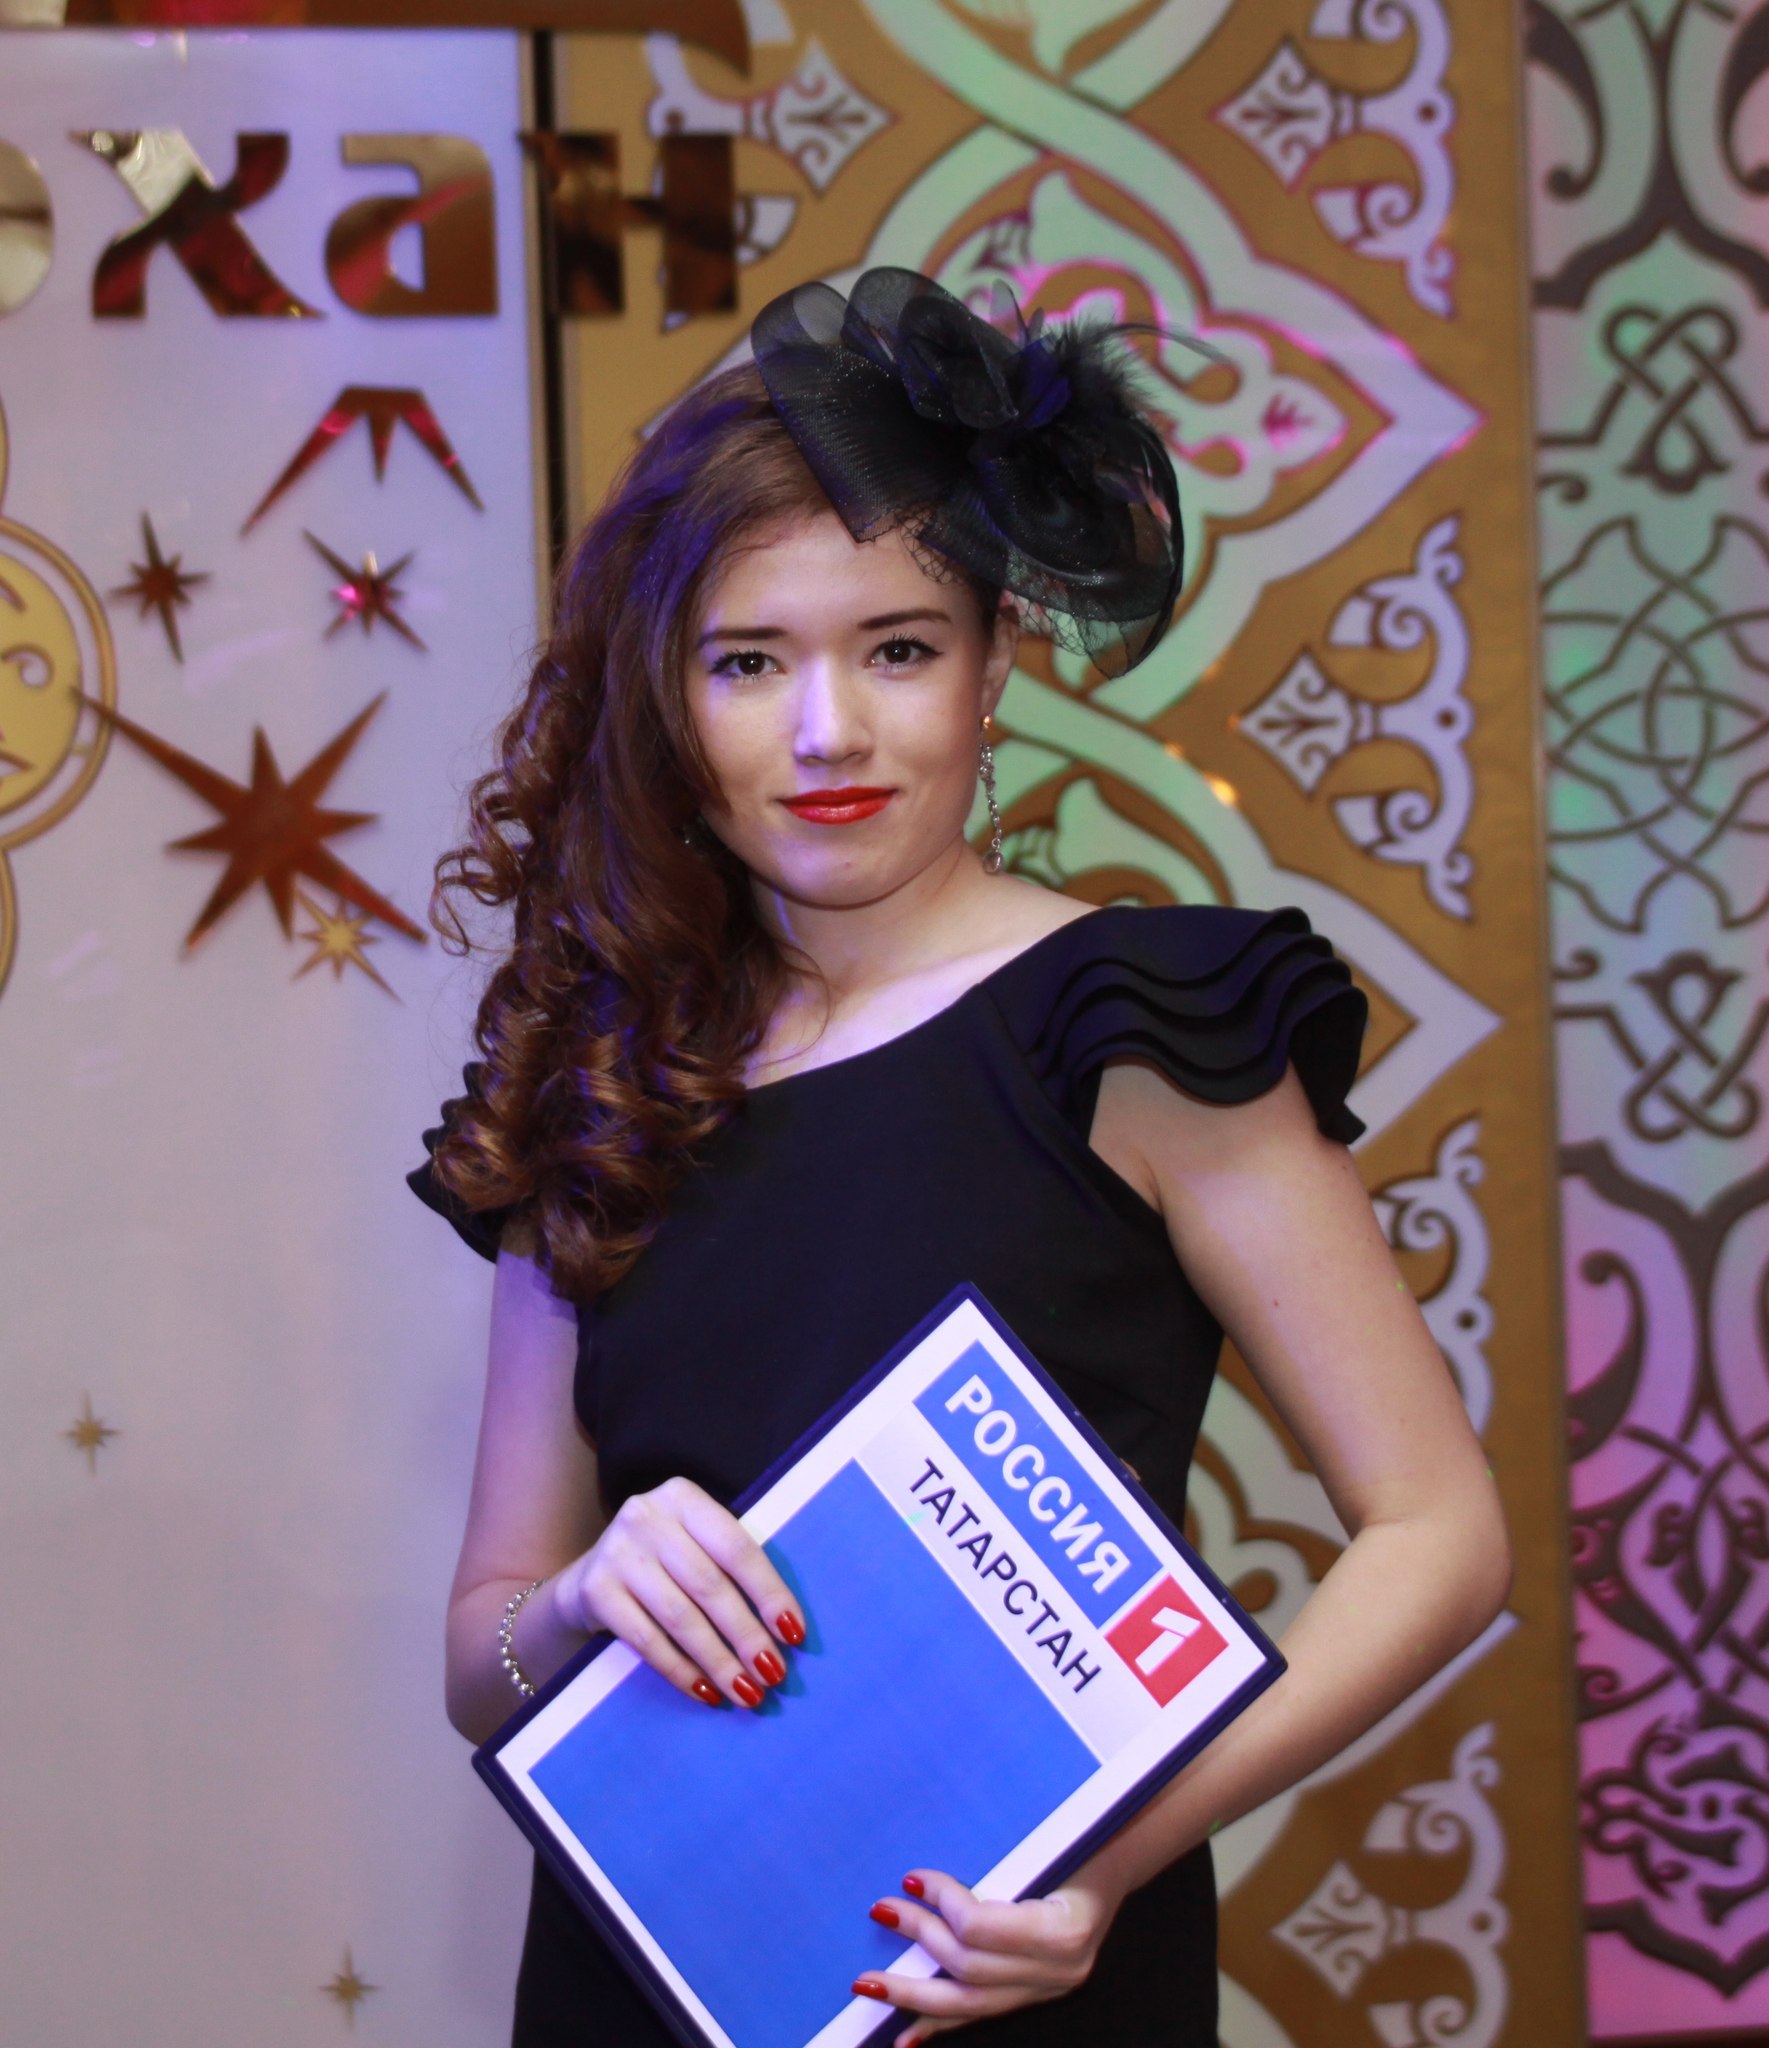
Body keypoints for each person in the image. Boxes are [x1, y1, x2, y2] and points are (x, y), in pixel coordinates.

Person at [409, 268, 1511, 2048]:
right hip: (648, 1974)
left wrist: (1102, 1862)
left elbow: (1440, 1534)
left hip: (1015, 1965)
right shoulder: (598, 1077)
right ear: (667, 701)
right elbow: (485, 1660)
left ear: (995, 668)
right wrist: (587, 1598)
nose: (827, 730)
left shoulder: (1133, 1028)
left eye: (898, 648)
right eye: (747, 662)